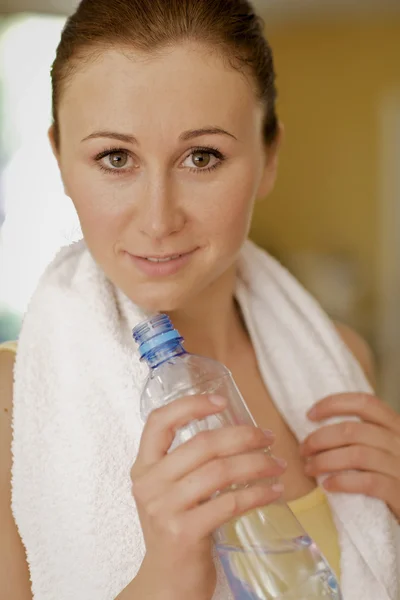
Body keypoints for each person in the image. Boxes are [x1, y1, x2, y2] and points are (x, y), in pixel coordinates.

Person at [0, 1, 399, 599]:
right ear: (60, 159)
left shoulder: (343, 365)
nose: (159, 220)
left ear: (268, 159)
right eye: (116, 158)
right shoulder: (12, 404)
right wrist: (166, 577)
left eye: (201, 157)